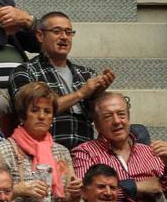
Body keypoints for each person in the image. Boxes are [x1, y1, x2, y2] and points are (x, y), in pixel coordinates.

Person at [9, 10, 114, 151]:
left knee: (137, 131)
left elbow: (99, 119)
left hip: (86, 153)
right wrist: (81, 94)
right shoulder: (25, 72)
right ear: (40, 35)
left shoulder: (86, 73)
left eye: (68, 32)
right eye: (57, 31)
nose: (64, 37)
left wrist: (97, 96)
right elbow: (27, 110)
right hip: (43, 150)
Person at [73, 93, 167, 202]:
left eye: (121, 114)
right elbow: (88, 198)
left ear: (128, 117)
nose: (117, 121)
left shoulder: (150, 151)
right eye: (108, 117)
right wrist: (136, 187)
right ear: (97, 124)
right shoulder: (85, 153)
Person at [0, 81, 79, 202]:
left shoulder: (62, 152)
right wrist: (16, 190)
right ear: (22, 116)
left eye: (47, 111)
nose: (41, 116)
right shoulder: (3, 151)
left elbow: (70, 199)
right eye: (35, 110)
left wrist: (75, 194)